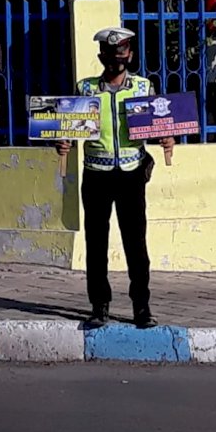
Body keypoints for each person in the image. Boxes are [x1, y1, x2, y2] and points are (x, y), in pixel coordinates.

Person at [55, 27, 174, 328]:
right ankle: (99, 305)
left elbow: (159, 124)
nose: (116, 59)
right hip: (96, 174)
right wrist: (62, 140)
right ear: (101, 56)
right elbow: (71, 126)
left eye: (121, 53)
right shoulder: (85, 90)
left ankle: (142, 307)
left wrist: (167, 139)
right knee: (96, 243)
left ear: (130, 55)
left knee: (136, 244)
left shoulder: (143, 88)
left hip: (132, 174)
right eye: (110, 54)